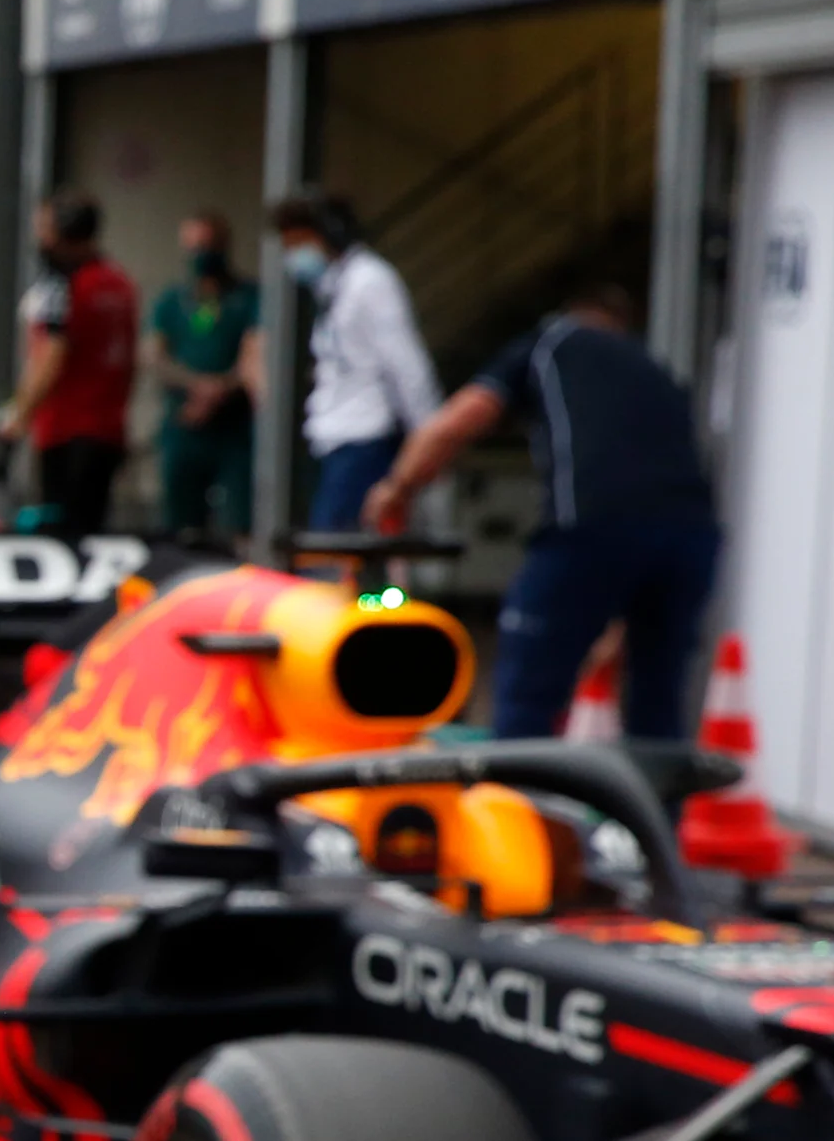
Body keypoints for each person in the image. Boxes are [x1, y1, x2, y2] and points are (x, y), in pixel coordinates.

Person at [365, 283, 719, 741]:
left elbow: (463, 417)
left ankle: (518, 801)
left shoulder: (550, 343)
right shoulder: (653, 367)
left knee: (528, 689)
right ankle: (654, 810)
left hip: (592, 530)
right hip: (692, 537)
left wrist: (398, 486)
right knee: (659, 699)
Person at [271, 190, 438, 533]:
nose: (294, 254)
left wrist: (429, 441)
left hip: (365, 440)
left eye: (300, 242)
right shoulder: (333, 287)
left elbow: (407, 367)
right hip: (335, 439)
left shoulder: (370, 282)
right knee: (328, 555)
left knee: (341, 558)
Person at [0, 190, 138, 534]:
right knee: (93, 525)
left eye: (45, 229)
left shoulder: (66, 287)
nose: (40, 239)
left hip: (67, 429)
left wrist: (17, 417)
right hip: (108, 428)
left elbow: (51, 356)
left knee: (63, 529)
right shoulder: (119, 282)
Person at [145, 209, 258, 542]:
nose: (200, 255)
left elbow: (257, 355)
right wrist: (195, 387)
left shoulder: (246, 298)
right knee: (180, 525)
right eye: (193, 246)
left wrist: (219, 389)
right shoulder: (172, 301)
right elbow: (155, 356)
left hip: (233, 429)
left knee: (238, 520)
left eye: (207, 246)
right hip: (184, 424)